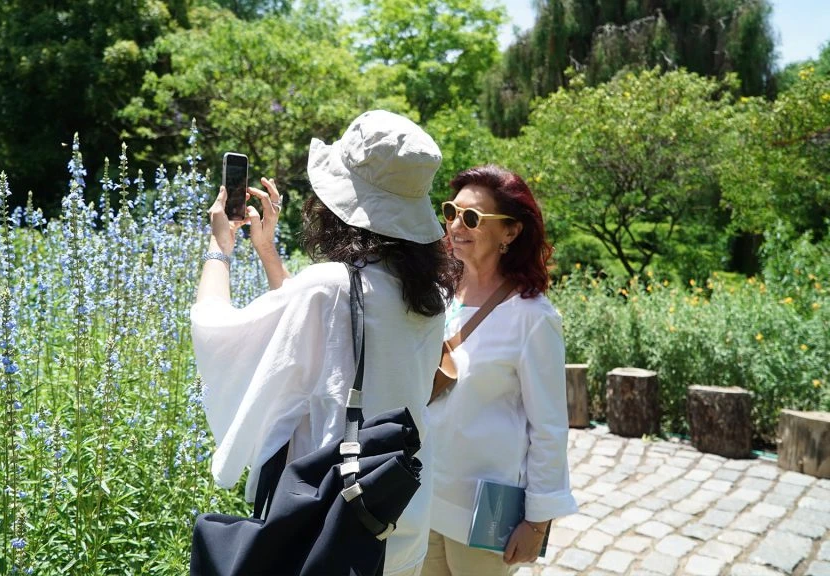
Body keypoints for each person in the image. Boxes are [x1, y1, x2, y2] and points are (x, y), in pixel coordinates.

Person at [191, 110, 456, 576]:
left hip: (326, 523)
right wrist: (268, 251)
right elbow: (330, 340)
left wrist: (220, 248)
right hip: (394, 514)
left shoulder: (329, 288)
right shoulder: (427, 294)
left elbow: (217, 331)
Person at [422, 165, 578, 576]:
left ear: (510, 232)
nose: (456, 224)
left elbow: (548, 427)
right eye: (451, 211)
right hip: (423, 496)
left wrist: (538, 521)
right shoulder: (440, 297)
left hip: (485, 509)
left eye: (472, 217)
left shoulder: (532, 317)